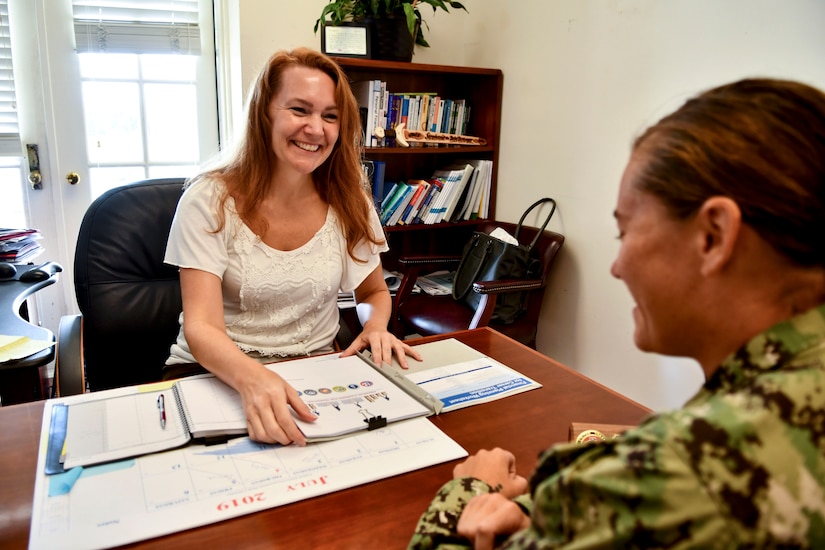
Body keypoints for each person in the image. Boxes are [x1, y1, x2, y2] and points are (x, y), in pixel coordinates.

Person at [409, 78, 825, 548]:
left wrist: (470, 490)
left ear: (713, 236)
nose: (617, 266)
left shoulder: (684, 472)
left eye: (626, 233)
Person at [163, 47, 420, 447]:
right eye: (300, 110)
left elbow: (371, 292)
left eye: (330, 116)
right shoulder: (209, 200)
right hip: (216, 374)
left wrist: (374, 326)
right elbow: (202, 327)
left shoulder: (350, 199)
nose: (316, 129)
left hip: (318, 372)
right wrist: (256, 378)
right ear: (264, 113)